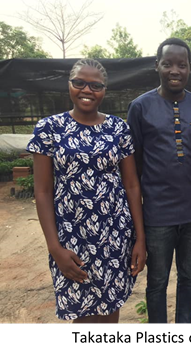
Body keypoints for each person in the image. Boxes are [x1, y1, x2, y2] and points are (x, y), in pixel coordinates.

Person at [27, 59, 147, 324]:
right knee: (82, 311)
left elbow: (131, 184)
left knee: (110, 307)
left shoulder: (118, 128)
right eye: (79, 83)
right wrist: (54, 247)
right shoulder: (49, 129)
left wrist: (140, 238)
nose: (87, 90)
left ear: (104, 90)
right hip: (71, 236)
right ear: (69, 85)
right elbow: (44, 191)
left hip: (114, 233)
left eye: (95, 85)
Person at [127, 38, 191, 324]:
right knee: (158, 280)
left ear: (190, 69)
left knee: (189, 276)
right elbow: (134, 163)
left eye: (181, 65)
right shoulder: (140, 107)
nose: (174, 70)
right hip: (157, 213)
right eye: (168, 64)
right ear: (157, 66)